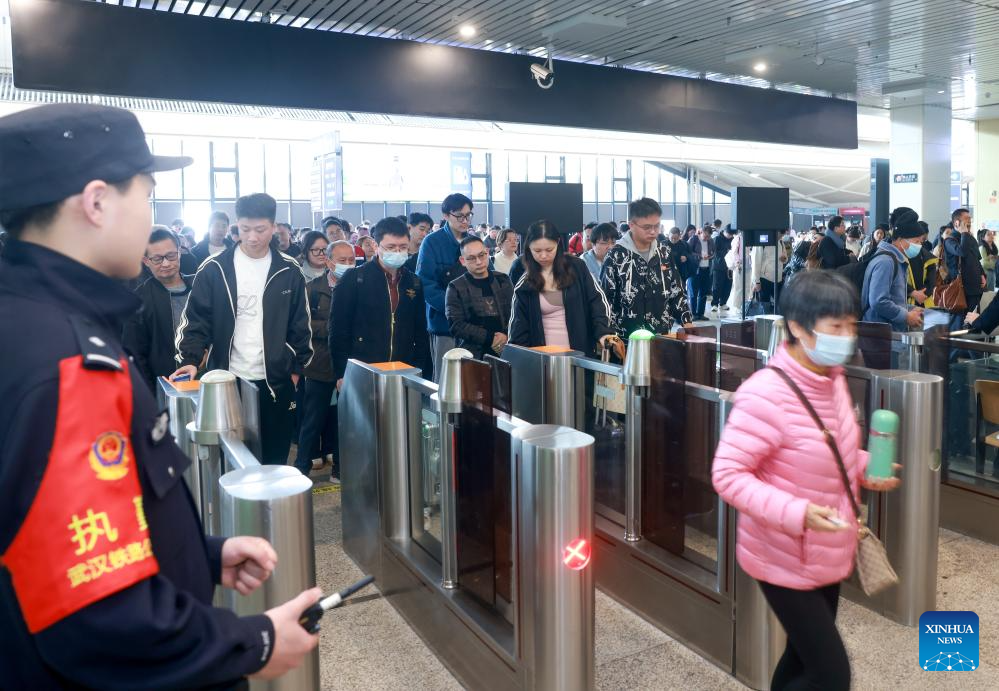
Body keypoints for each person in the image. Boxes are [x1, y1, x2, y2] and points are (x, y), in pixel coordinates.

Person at [0, 103, 319, 688]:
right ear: (97, 203)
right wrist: (254, 641)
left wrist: (199, 553)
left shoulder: (32, 319)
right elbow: (101, 613)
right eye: (147, 194)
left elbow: (67, 535)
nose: (152, 216)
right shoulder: (68, 363)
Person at [713, 269, 900, 691]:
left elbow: (825, 448)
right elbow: (728, 474)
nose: (847, 336)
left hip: (828, 545)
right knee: (832, 674)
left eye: (851, 325)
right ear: (798, 327)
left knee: (802, 661)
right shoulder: (765, 394)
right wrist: (796, 512)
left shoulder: (831, 380)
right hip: (783, 553)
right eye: (836, 326)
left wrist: (865, 466)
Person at [172, 193, 313, 466]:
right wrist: (190, 359)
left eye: (260, 229)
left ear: (274, 227)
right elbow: (196, 319)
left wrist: (295, 370)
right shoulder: (214, 268)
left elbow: (300, 324)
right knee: (232, 460)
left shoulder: (288, 269)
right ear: (236, 225)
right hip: (228, 380)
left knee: (274, 460)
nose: (252, 237)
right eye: (245, 229)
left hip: (276, 381)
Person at [329, 216, 431, 386]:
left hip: (403, 369)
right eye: (390, 247)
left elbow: (420, 330)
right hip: (361, 369)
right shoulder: (354, 278)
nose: (397, 252)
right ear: (376, 246)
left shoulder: (413, 282)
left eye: (403, 247)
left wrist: (419, 367)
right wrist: (341, 372)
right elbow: (338, 329)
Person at [509, 220, 618, 358]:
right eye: (537, 251)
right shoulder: (525, 284)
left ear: (558, 243)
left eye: (549, 250)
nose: (543, 255)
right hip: (543, 360)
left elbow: (597, 301)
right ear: (528, 249)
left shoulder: (577, 267)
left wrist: (603, 332)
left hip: (580, 356)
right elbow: (518, 329)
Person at [294, 240, 355, 483]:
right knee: (312, 418)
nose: (348, 265)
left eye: (352, 260)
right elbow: (302, 324)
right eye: (342, 261)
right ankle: (301, 466)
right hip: (319, 362)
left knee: (345, 419)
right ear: (329, 262)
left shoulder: (359, 285)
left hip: (349, 364)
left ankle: (341, 467)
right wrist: (333, 328)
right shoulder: (311, 289)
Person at [602, 199, 693, 337]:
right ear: (631, 225)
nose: (653, 231)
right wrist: (608, 334)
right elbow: (606, 299)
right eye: (647, 227)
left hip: (661, 335)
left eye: (657, 226)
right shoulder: (615, 255)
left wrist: (686, 321)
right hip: (625, 338)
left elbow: (676, 291)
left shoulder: (664, 253)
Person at [123, 227, 195, 393]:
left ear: (179, 252)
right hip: (164, 387)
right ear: (146, 261)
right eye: (157, 259)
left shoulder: (199, 287)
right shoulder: (138, 301)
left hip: (206, 380)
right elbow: (135, 354)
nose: (166, 263)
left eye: (171, 256)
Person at [417, 193, 473, 381]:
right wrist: (453, 309)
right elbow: (425, 283)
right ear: (446, 215)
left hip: (472, 323)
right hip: (444, 322)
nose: (465, 221)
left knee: (471, 380)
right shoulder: (432, 242)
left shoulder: (472, 242)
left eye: (468, 215)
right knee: (445, 380)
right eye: (460, 216)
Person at [445, 235, 514, 360]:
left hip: (507, 348)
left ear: (487, 252)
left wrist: (505, 335)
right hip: (472, 354)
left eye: (481, 255)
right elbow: (456, 324)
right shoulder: (456, 287)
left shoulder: (503, 280)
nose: (478, 261)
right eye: (471, 258)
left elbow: (516, 314)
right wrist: (490, 338)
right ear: (462, 260)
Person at [860, 207, 924, 334]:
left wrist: (909, 309)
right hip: (880, 335)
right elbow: (878, 301)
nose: (919, 246)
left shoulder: (895, 260)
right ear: (900, 240)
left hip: (888, 332)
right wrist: (906, 316)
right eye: (916, 241)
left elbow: (893, 299)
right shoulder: (886, 262)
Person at [943, 207, 986, 318]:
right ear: (957, 223)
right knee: (961, 320)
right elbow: (962, 252)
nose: (969, 221)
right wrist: (964, 233)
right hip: (961, 289)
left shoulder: (970, 238)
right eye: (966, 218)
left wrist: (982, 274)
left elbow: (976, 259)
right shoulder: (950, 240)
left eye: (970, 218)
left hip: (975, 286)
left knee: (974, 318)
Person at [750, 232, 788, 310]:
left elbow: (785, 256)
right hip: (764, 279)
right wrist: (756, 282)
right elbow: (756, 262)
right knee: (764, 306)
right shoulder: (762, 241)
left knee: (780, 305)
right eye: (780, 234)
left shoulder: (780, 242)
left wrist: (784, 259)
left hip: (778, 278)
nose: (781, 237)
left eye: (783, 235)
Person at [907, 222, 938, 308]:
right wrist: (913, 293)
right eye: (916, 241)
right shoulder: (899, 255)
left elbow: (931, 281)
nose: (919, 244)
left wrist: (922, 294)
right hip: (905, 303)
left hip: (924, 302)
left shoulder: (928, 256)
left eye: (920, 241)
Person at [687, 225, 714, 320]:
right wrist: (700, 256)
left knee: (703, 293)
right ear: (701, 232)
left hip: (706, 269)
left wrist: (711, 256)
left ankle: (700, 314)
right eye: (705, 236)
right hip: (694, 270)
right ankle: (693, 314)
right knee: (693, 293)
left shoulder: (711, 241)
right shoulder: (693, 239)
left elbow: (714, 252)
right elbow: (688, 253)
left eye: (709, 237)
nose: (707, 238)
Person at [710, 225, 733, 314]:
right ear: (724, 231)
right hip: (718, 266)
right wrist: (726, 252)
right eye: (729, 234)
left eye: (731, 234)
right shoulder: (717, 239)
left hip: (730, 267)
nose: (730, 236)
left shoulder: (732, 239)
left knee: (728, 286)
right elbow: (714, 252)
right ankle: (714, 304)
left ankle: (723, 303)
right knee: (717, 286)